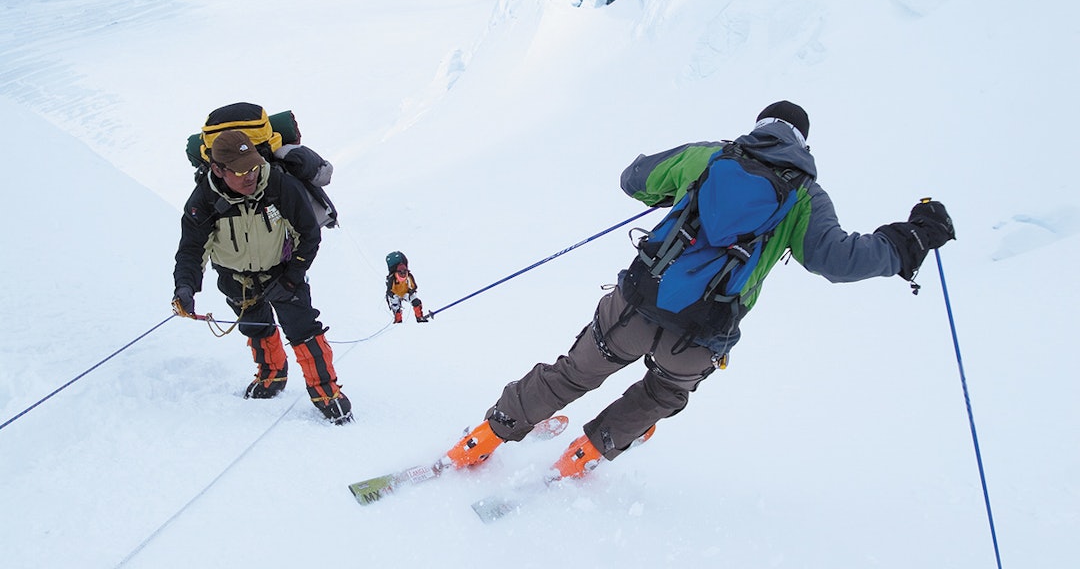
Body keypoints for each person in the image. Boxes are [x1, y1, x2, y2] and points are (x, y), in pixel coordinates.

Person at [441, 101, 954, 478]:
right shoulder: (804, 196)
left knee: (574, 373)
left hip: (637, 305)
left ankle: (484, 438)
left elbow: (634, 179)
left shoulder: (710, 157)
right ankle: (587, 453)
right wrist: (912, 238)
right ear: (803, 143)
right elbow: (838, 259)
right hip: (703, 333)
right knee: (662, 392)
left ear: (759, 126)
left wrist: (678, 190)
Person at [172, 129, 353, 425]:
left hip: (282, 272)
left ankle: (327, 393)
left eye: (254, 167)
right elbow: (191, 249)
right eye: (240, 171)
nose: (250, 176)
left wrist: (292, 278)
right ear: (218, 170)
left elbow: (309, 234)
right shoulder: (203, 199)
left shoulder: (279, 185)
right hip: (235, 278)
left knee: (303, 329)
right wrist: (185, 286)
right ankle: (272, 376)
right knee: (255, 326)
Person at [385, 253, 428, 323]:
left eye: (404, 272)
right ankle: (398, 320)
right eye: (401, 273)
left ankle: (419, 317)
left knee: (416, 302)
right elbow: (389, 291)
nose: (403, 274)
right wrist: (392, 295)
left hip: (406, 293)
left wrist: (411, 291)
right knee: (395, 306)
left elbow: (414, 286)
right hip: (395, 294)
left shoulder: (409, 276)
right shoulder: (392, 278)